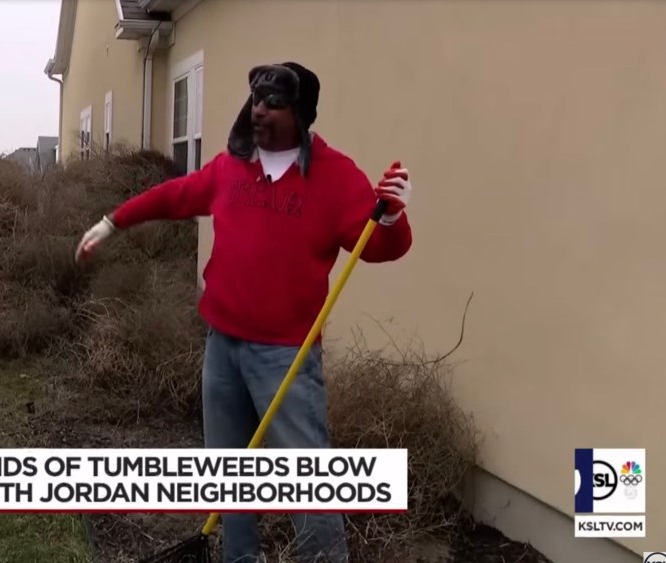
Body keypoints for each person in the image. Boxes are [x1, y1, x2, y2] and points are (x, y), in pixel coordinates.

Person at [74, 62, 414, 562]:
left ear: (300, 114)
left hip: (286, 358)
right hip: (222, 347)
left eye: (273, 103)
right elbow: (177, 195)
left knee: (310, 486)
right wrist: (112, 221)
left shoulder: (336, 176)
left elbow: (380, 247)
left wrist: (395, 216)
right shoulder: (233, 165)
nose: (259, 111)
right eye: (256, 99)